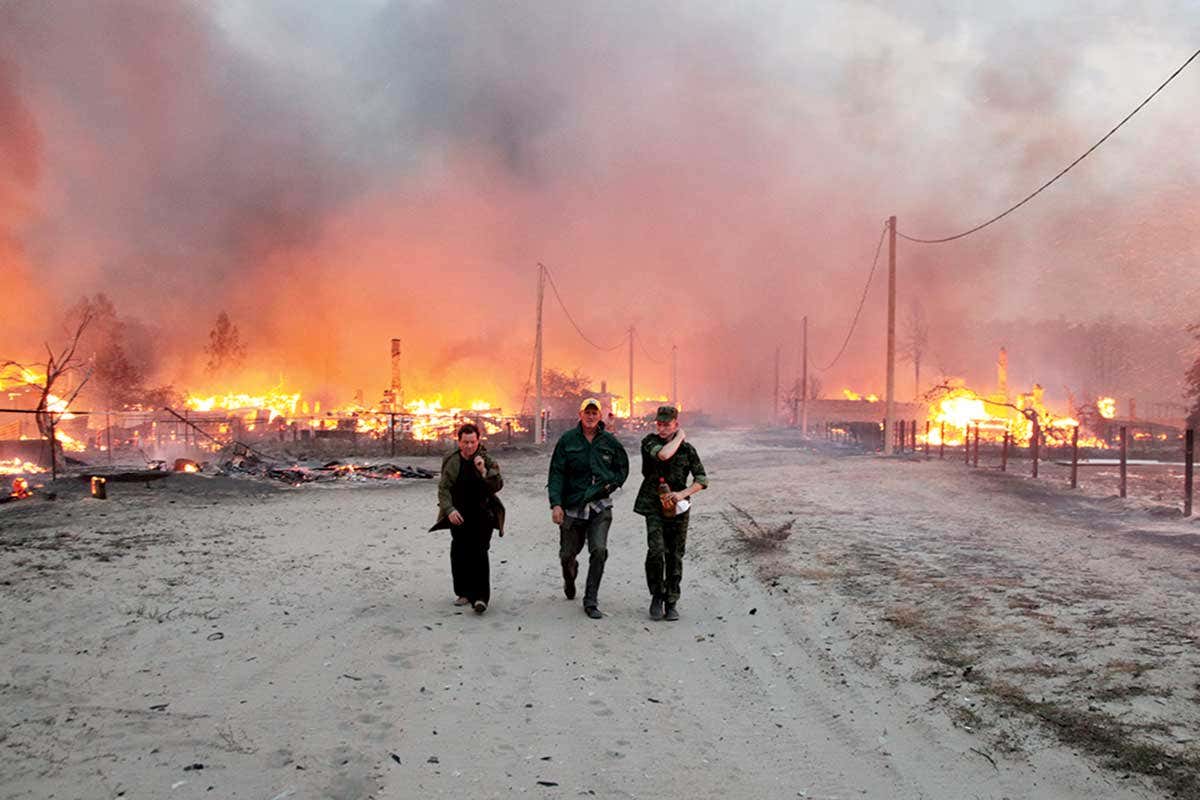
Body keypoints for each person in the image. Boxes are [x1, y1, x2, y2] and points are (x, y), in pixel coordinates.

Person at [547, 397, 629, 619]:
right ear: (580, 414)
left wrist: (611, 484)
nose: (591, 416)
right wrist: (556, 504)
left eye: (594, 413)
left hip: (599, 506)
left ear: (600, 416)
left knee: (599, 550)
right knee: (567, 555)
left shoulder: (609, 442)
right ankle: (570, 576)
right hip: (573, 506)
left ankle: (591, 600)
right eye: (587, 412)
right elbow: (556, 473)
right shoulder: (567, 440)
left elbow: (622, 467)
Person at [633, 406, 707, 621]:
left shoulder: (688, 450)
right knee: (656, 550)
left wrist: (682, 494)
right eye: (660, 424)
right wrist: (680, 436)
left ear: (676, 423)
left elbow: (702, 479)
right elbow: (664, 455)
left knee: (675, 554)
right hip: (653, 504)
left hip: (678, 507)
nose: (663, 428)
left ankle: (671, 600)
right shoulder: (650, 442)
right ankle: (657, 595)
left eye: (667, 424)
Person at [430, 423, 505, 614]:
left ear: (478, 441)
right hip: (458, 514)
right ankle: (463, 592)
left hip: (483, 513)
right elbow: (444, 488)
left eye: (472, 442)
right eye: (465, 442)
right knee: (460, 552)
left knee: (480, 552)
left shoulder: (486, 460)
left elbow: (497, 485)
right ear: (459, 442)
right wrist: (449, 510)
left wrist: (483, 472)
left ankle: (481, 598)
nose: (469, 446)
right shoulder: (452, 461)